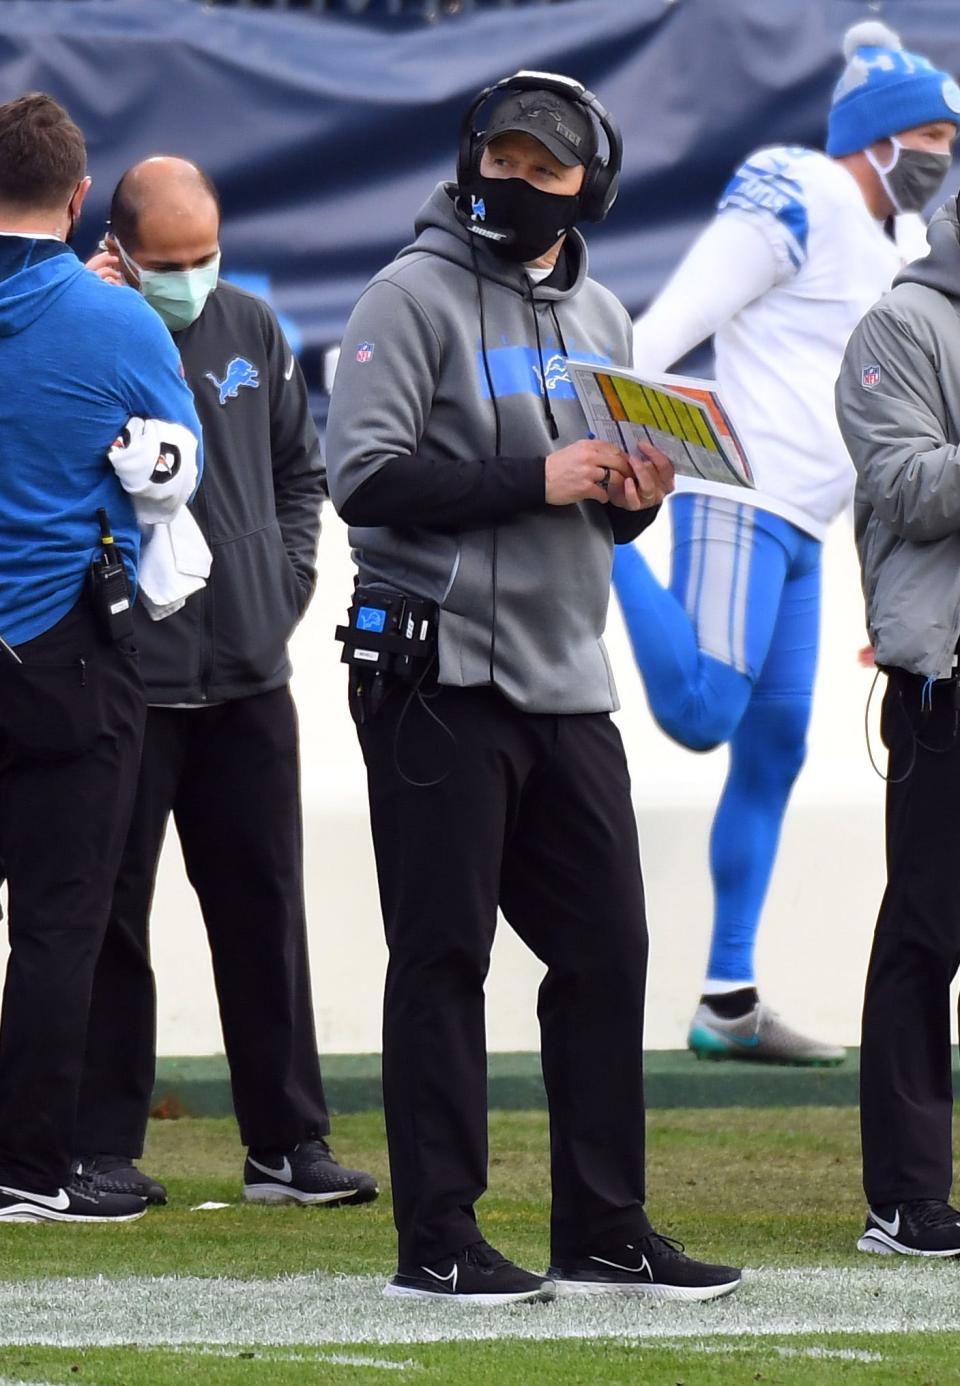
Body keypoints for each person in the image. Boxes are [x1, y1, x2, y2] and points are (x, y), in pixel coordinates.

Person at [326, 70, 741, 1304]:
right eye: (499, 156)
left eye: (542, 165)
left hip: (567, 683)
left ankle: (605, 1228)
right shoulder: (406, 297)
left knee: (609, 949)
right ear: (470, 161)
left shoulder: (605, 314)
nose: (513, 177)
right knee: (443, 957)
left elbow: (585, 513)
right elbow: (365, 478)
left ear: (590, 185)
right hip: (437, 679)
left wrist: (629, 499)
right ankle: (437, 1240)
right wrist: (538, 473)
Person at [613, 22, 959, 1065]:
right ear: (878, 136)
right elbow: (663, 328)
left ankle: (728, 996)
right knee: (705, 712)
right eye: (932, 134)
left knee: (774, 751)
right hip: (738, 492)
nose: (944, 156)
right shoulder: (797, 188)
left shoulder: (900, 247)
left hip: (810, 522)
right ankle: (606, 549)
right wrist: (604, 466)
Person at [74, 157, 377, 1210]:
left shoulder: (254, 327)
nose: (193, 279)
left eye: (206, 258)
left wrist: (283, 587)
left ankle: (288, 1146)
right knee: (110, 919)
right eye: (170, 264)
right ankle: (97, 1146)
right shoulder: (81, 329)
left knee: (264, 910)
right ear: (116, 247)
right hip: (126, 686)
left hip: (250, 676)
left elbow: (303, 472)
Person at [0, 95, 202, 1222]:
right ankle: (27, 1168)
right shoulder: (121, 323)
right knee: (60, 923)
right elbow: (173, 478)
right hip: (66, 655)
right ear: (81, 201)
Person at [836, 193, 960, 1258]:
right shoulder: (902, 324)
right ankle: (907, 1200)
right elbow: (905, 485)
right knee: (926, 936)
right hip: (948, 682)